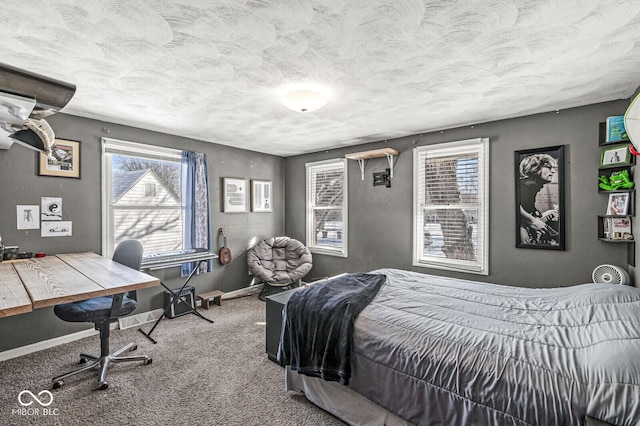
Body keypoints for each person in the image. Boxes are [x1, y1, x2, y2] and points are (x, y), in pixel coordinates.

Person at [519, 153, 559, 245]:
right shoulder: (529, 185)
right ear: (535, 168)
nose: (553, 171)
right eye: (549, 167)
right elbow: (512, 205)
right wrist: (532, 221)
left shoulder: (529, 185)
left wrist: (548, 214)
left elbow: (525, 210)